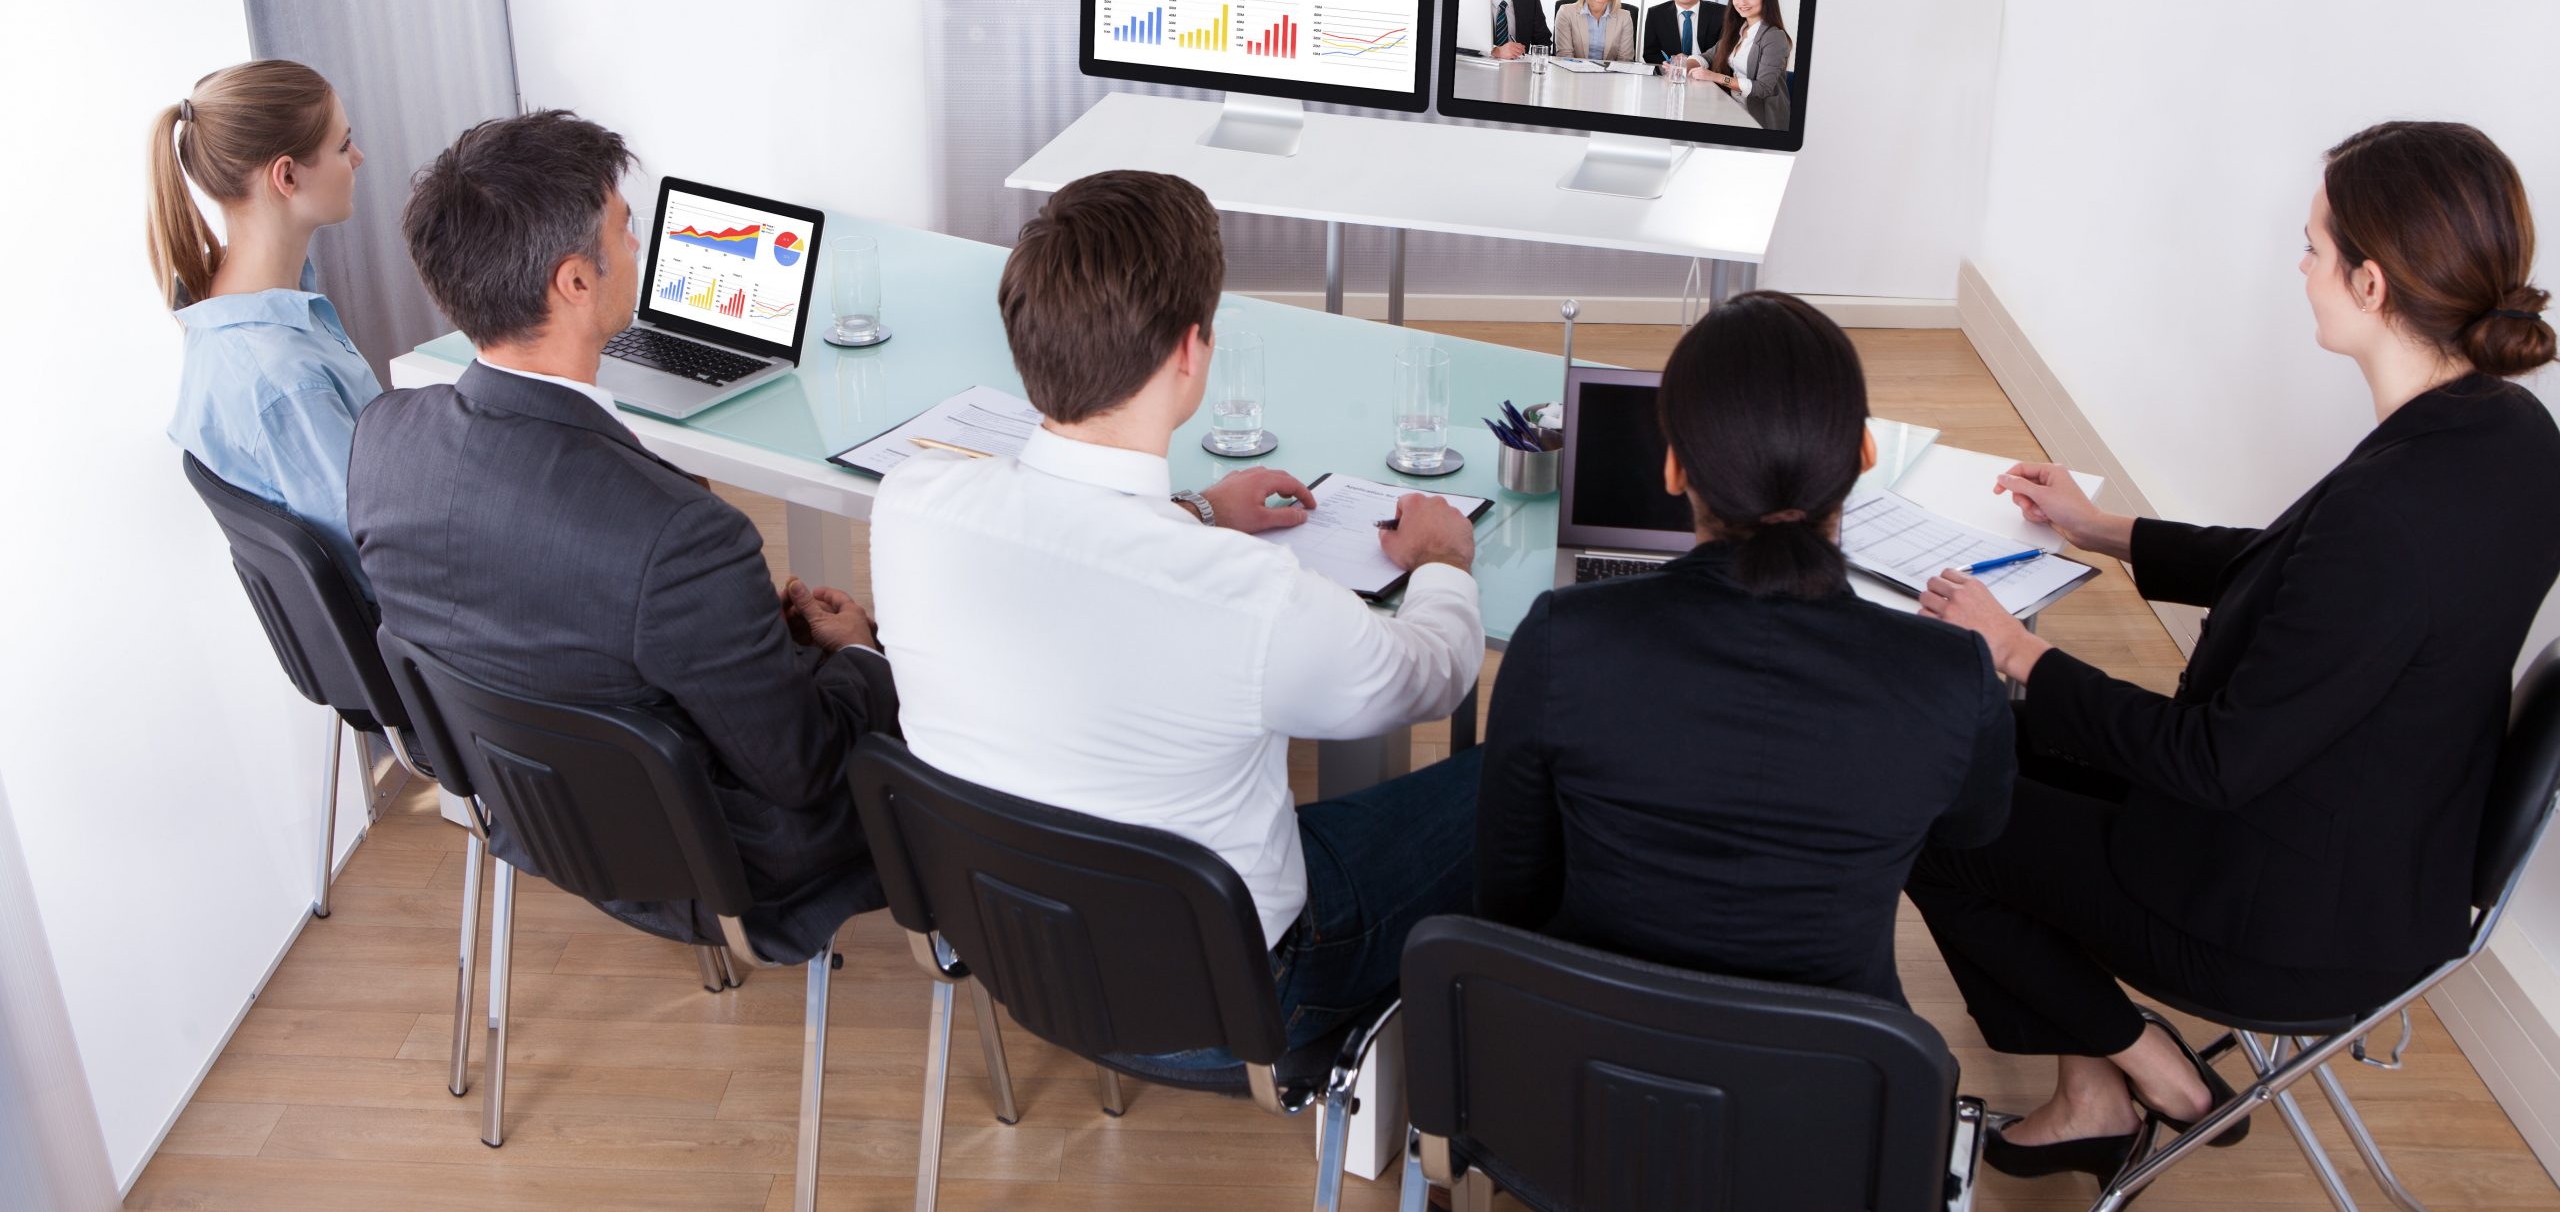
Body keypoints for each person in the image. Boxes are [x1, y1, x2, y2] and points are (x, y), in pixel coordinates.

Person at [1906, 120, 2560, 1184]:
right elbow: (2302, 573)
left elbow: (2211, 762)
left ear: (2371, 282)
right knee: (1969, 741)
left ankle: (2146, 1069)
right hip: (2374, 848)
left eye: (2311, 245)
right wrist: (2103, 531)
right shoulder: (2507, 438)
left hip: (2281, 913)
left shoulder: (2390, 514)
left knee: (1930, 811)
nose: (2298, 267)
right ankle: (2087, 1094)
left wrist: (2022, 657)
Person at [871, 169, 1484, 1049]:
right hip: (1233, 1002)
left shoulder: (911, 502)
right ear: (1191, 352)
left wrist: (1192, 508)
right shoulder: (1248, 595)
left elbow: (1085, 560)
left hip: (1009, 946)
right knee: (1512, 783)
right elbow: (1429, 675)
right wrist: (1442, 563)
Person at [348, 111, 895, 962]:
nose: (639, 246)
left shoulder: (384, 436)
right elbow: (806, 768)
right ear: (573, 281)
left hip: (534, 815)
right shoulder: (682, 538)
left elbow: (536, 607)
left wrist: (741, 631)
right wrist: (863, 652)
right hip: (716, 864)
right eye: (624, 226)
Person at [1476, 292, 2015, 1004]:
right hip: (1832, 1088)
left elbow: (1509, 896)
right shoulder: (1955, 676)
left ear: (1674, 470)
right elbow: (1971, 830)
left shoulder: (1561, 640)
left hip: (1591, 1061)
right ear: (1863, 452)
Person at [152, 59, 381, 593]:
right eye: (344, 145)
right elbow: (383, 562)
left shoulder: (222, 306)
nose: (359, 157)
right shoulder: (285, 378)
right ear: (287, 176)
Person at [1707, 0, 1792, 129]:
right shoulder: (1739, 30)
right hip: (1734, 105)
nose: (1742, 2)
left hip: (1761, 116)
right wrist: (1685, 63)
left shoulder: (1774, 36)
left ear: (1765, 0)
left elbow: (1763, 88)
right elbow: (1708, 56)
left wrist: (1715, 77)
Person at [1642, 0, 1727, 73]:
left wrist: (1697, 68)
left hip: (1710, 75)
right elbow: (1650, 53)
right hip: (1671, 75)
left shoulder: (1722, 13)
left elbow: (1726, 51)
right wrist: (1672, 66)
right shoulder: (1656, 13)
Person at [1548, 0, 1636, 61]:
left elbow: (1625, 59)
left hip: (1611, 74)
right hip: (1573, 73)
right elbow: (1565, 55)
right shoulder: (1566, 12)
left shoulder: (1625, 17)